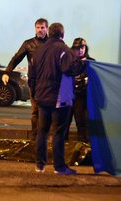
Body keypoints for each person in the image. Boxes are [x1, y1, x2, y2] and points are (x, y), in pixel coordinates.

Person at [29, 23, 85, 175]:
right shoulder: (64, 50)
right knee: (59, 133)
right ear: (62, 34)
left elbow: (31, 75)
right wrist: (80, 63)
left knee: (42, 131)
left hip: (41, 97)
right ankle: (59, 167)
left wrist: (35, 94)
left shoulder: (38, 51)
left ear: (49, 32)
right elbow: (69, 69)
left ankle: (39, 166)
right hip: (59, 98)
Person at [2, 18, 48, 139]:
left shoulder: (52, 43)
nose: (40, 30)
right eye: (38, 27)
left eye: (42, 27)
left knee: (48, 111)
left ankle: (46, 137)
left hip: (49, 83)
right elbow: (16, 58)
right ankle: (34, 137)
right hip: (34, 82)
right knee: (35, 111)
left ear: (47, 28)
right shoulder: (28, 43)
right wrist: (7, 72)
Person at [65, 38, 95, 142]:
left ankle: (83, 153)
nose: (81, 50)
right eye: (78, 48)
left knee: (82, 125)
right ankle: (61, 153)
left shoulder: (91, 62)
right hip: (68, 96)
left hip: (82, 97)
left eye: (83, 47)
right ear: (74, 49)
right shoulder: (68, 61)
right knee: (64, 125)